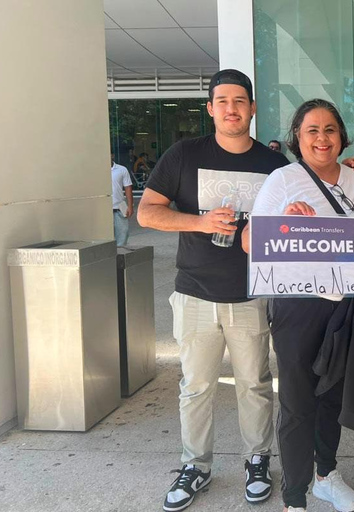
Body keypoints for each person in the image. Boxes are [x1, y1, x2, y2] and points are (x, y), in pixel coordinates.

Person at [137, 69, 289, 512]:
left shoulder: (274, 165)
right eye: (222, 101)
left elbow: (304, 208)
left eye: (240, 100)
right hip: (196, 292)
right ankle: (195, 465)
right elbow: (148, 212)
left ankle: (257, 460)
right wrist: (199, 221)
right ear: (210, 108)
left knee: (255, 385)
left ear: (252, 108)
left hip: (251, 294)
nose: (231, 109)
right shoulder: (184, 154)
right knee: (197, 386)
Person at [247, 99, 354, 512]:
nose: (322, 138)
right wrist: (284, 219)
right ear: (298, 136)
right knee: (298, 403)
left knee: (332, 396)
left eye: (330, 129)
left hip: (343, 305)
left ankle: (325, 475)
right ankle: (294, 496)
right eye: (312, 130)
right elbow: (249, 242)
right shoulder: (282, 179)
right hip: (297, 305)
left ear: (341, 136)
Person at [110, 151, 133, 246]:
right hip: (103, 209)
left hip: (119, 207)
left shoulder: (122, 169)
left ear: (112, 155)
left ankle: (120, 257)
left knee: (122, 236)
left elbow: (128, 187)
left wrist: (130, 206)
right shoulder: (96, 170)